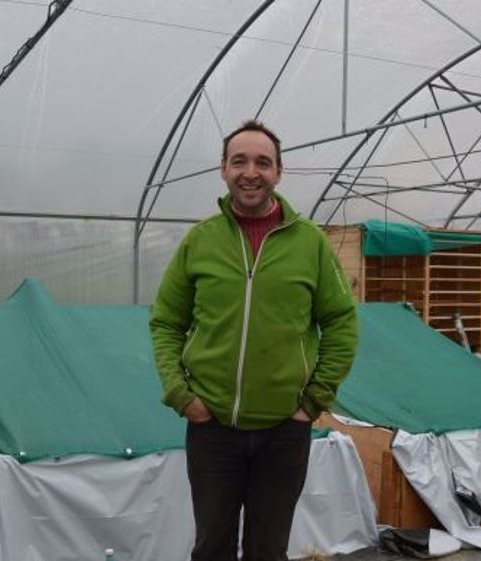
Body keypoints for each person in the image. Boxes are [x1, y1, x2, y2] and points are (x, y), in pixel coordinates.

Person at [149, 120, 359, 561]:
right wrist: (181, 393)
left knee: (268, 550)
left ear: (278, 173)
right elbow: (166, 321)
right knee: (211, 548)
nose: (251, 172)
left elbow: (341, 321)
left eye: (263, 162)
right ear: (223, 170)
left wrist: (314, 399)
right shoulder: (200, 241)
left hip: (284, 432)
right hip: (212, 431)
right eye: (239, 161)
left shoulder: (310, 244)